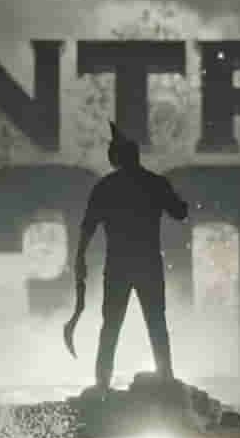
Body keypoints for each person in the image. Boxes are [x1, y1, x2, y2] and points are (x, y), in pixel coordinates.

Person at [75, 123, 189, 392]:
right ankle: (166, 377)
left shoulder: (106, 187)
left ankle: (102, 383)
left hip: (118, 266)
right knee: (156, 322)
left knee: (111, 326)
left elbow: (88, 227)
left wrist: (79, 257)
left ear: (117, 157)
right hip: (148, 264)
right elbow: (180, 212)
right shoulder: (155, 183)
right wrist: (178, 200)